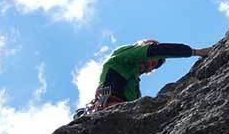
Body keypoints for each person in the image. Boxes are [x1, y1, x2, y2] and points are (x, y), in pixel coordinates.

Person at [77, 40, 211, 115]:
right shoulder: (121, 57)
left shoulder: (135, 88)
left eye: (154, 67)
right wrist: (197, 52)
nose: (151, 68)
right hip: (108, 107)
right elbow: (161, 50)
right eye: (152, 62)